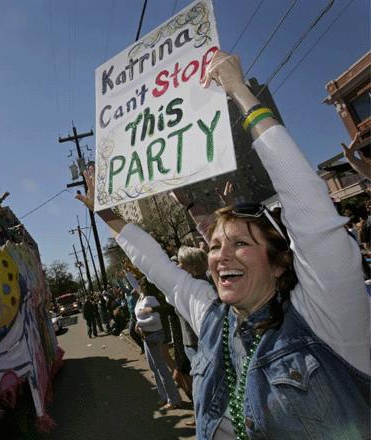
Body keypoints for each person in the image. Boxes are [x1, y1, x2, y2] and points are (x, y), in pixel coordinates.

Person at [77, 51, 370, 439]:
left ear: (280, 262)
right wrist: (109, 216)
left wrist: (240, 93)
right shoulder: (212, 319)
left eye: (239, 244)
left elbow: (307, 202)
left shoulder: (327, 314)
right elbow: (161, 270)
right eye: (214, 246)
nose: (220, 256)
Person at [134, 279, 183, 411]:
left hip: (154, 336)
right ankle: (164, 396)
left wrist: (140, 324)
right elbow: (132, 285)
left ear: (144, 286)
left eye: (140, 284)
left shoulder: (150, 299)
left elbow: (156, 319)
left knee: (161, 368)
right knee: (154, 368)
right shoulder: (141, 297)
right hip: (146, 336)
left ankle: (174, 399)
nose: (137, 285)